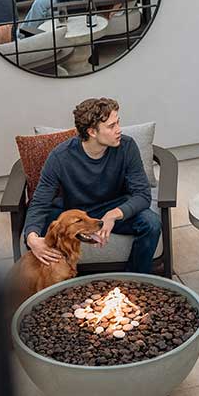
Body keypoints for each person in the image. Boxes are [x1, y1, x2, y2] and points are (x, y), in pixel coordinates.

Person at [23, 97, 161, 274]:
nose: (119, 130)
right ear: (92, 132)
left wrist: (112, 215)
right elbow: (40, 203)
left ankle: (134, 279)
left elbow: (142, 194)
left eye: (118, 122)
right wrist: (32, 238)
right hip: (76, 212)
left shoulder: (127, 146)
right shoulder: (60, 157)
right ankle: (56, 284)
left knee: (151, 223)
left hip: (114, 205)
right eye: (111, 126)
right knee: (37, 233)